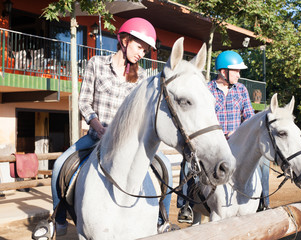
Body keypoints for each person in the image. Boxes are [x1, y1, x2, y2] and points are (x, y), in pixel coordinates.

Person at [51, 17, 173, 236]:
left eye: (145, 51)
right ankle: (58, 218)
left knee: (165, 168)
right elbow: (84, 102)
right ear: (124, 40)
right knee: (60, 164)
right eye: (139, 47)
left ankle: (162, 218)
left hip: (127, 143)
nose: (141, 54)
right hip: (96, 137)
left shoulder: (142, 77)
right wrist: (97, 126)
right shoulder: (96, 64)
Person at [177, 50, 270, 222]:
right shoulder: (207, 89)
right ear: (223, 71)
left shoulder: (241, 90)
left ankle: (264, 202)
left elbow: (249, 118)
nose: (239, 74)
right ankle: (186, 205)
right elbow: (201, 118)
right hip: (214, 145)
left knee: (263, 162)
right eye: (236, 70)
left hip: (239, 145)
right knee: (188, 164)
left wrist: (240, 131)